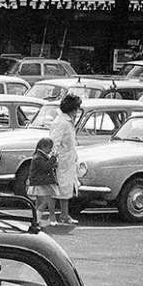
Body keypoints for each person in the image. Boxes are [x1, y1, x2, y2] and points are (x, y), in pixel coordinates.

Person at [49, 94, 83, 225]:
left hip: (68, 161)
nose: (77, 111)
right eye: (76, 108)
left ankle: (64, 215)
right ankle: (54, 216)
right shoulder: (62, 122)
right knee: (56, 188)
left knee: (66, 189)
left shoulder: (67, 121)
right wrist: (53, 160)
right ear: (72, 109)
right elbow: (54, 142)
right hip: (61, 161)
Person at [26, 136, 58, 223]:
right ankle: (36, 219)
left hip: (38, 182)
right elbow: (45, 167)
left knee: (39, 202)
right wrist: (53, 158)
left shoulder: (39, 156)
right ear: (43, 147)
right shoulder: (39, 157)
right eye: (49, 148)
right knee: (44, 202)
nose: (50, 150)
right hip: (41, 182)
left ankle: (36, 218)